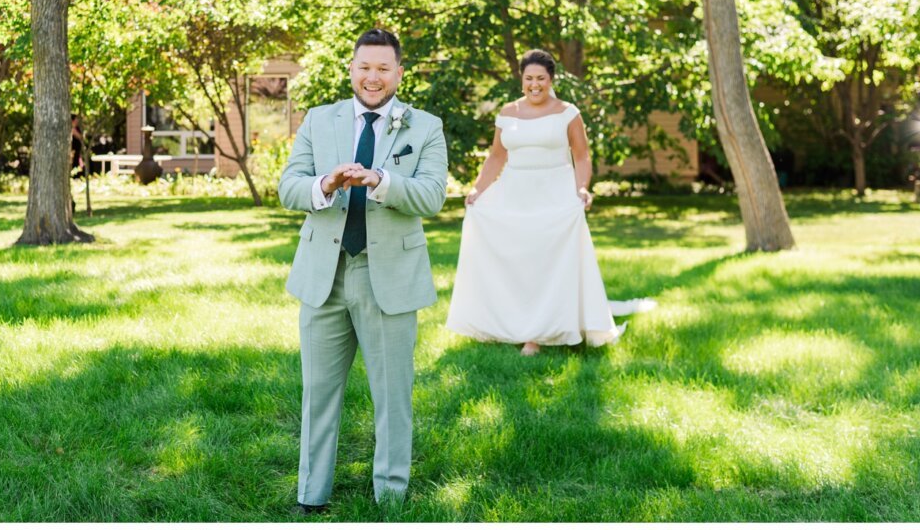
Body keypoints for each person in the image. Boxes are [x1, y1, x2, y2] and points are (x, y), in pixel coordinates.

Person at [278, 28, 448, 514]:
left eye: (383, 68)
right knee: (318, 393)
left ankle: (390, 498)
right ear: (351, 69)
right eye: (364, 67)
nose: (373, 77)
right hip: (323, 276)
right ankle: (311, 496)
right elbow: (289, 187)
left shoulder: (425, 126)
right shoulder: (318, 119)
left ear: (399, 73)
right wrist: (325, 184)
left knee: (393, 397)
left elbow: (432, 196)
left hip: (388, 276)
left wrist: (382, 181)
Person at [446, 49, 648, 356]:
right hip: (514, 193)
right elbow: (497, 156)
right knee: (518, 262)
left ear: (551, 79)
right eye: (529, 78)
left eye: (541, 78)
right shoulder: (508, 112)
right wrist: (477, 189)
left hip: (554, 193)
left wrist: (582, 188)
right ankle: (511, 322)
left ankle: (536, 335)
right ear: (521, 79)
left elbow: (581, 155)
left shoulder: (568, 112)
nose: (535, 84)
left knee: (546, 262)